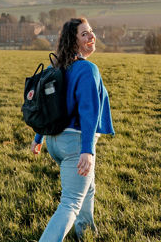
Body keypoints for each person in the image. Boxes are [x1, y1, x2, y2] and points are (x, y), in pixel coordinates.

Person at [31, 18, 114, 241]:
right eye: (84, 34)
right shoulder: (87, 69)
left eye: (91, 31)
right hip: (75, 144)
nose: (91, 36)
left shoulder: (57, 68)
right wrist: (87, 150)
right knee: (70, 202)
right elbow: (89, 112)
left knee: (88, 187)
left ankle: (85, 233)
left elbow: (48, 107)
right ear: (73, 40)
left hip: (55, 142)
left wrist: (39, 137)